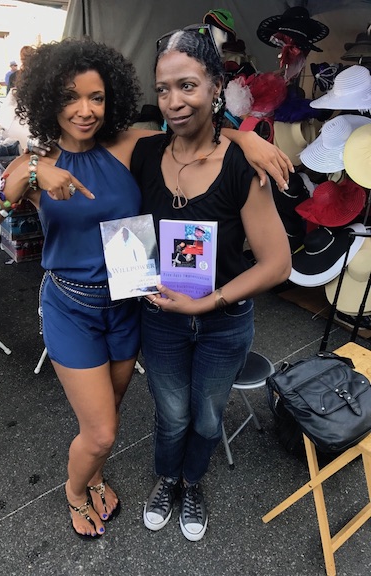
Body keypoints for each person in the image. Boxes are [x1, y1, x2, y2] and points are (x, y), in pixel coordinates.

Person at [0, 37, 292, 540]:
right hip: (71, 305)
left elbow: (190, 128)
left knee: (110, 415)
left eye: (96, 97)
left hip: (128, 302)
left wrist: (245, 138)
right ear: (50, 100)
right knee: (101, 431)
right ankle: (74, 491)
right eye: (71, 98)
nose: (86, 110)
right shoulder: (33, 164)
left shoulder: (129, 143)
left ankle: (95, 474)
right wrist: (29, 172)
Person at [130, 29, 291, 541]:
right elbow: (77, 139)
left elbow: (277, 263)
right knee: (171, 414)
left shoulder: (243, 166)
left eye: (188, 86)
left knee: (205, 417)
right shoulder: (144, 152)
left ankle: (193, 483)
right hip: (160, 320)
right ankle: (167, 478)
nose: (174, 102)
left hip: (222, 324)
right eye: (162, 89)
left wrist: (207, 303)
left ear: (216, 86)